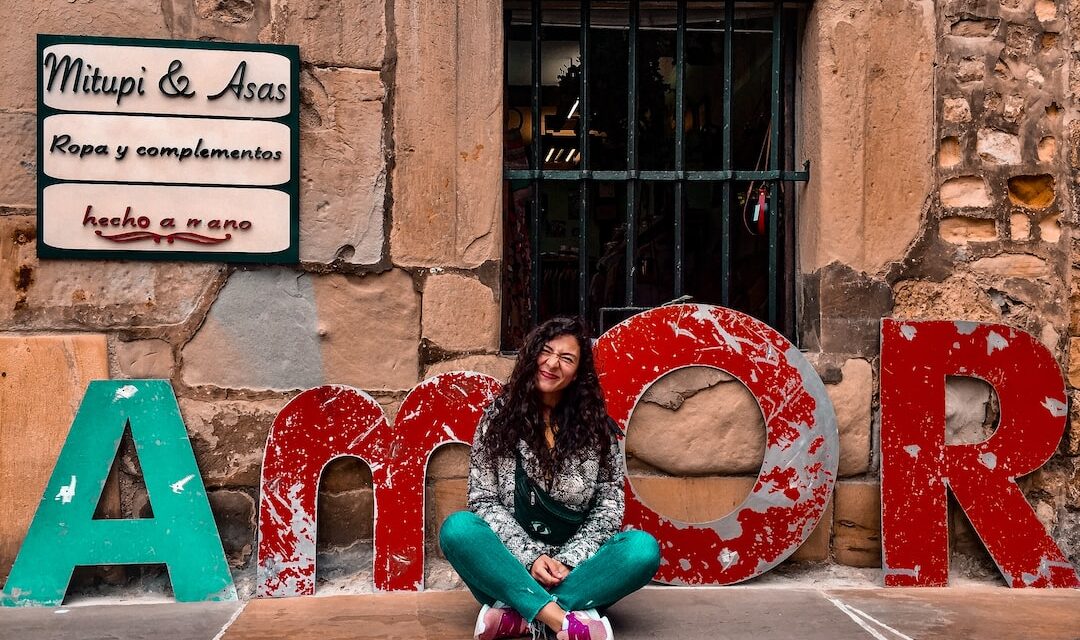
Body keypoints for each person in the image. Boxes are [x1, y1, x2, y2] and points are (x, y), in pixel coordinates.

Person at [440, 316, 661, 640]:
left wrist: (568, 562)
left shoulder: (597, 430)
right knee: (458, 529)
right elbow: (483, 499)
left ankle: (519, 615)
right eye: (546, 351)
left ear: (577, 375)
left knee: (642, 550)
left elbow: (608, 508)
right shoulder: (498, 419)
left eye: (567, 358)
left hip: (577, 569)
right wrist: (530, 558)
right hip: (511, 565)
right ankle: (563, 619)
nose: (553, 363)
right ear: (532, 356)